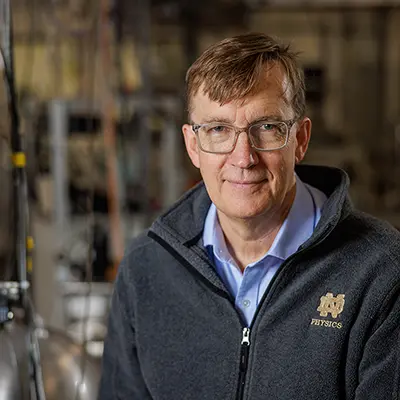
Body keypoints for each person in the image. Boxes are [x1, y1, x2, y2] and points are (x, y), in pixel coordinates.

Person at [98, 33, 400, 400]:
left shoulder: (381, 273)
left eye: (267, 127)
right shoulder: (145, 270)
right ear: (193, 145)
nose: (243, 158)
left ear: (300, 139)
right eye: (218, 130)